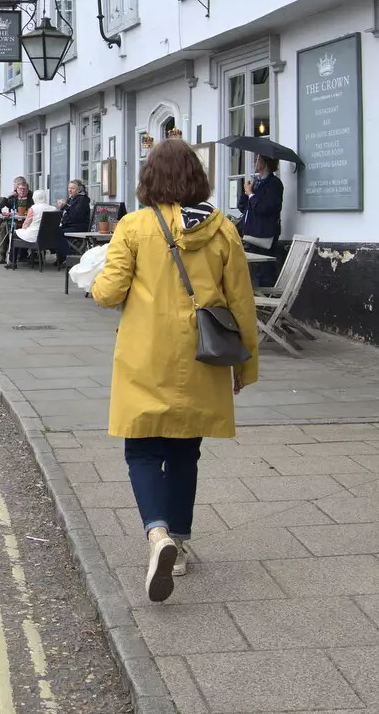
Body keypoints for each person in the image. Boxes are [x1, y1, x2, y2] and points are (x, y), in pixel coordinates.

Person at [91, 138, 258, 604]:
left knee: (142, 452)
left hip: (146, 355)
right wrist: (246, 365)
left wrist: (96, 277)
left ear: (150, 179)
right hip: (202, 357)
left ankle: (157, 534)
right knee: (186, 452)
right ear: (196, 178)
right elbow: (241, 301)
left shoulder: (133, 227)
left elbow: (108, 293)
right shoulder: (222, 228)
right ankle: (179, 547)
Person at [237, 154, 284, 286]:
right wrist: (247, 192)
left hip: (265, 233)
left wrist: (251, 195)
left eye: (258, 159)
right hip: (251, 233)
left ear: (266, 162)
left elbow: (264, 208)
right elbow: (242, 207)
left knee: (265, 271)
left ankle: (268, 300)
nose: (255, 162)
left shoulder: (274, 184)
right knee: (254, 271)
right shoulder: (257, 182)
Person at [0, 177, 33, 262]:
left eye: (24, 189)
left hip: (27, 222)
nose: (22, 191)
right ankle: (2, 254)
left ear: (27, 190)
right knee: (4, 226)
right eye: (20, 189)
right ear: (16, 189)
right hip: (14, 221)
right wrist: (7, 197)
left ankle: (23, 253)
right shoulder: (13, 198)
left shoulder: (31, 197)